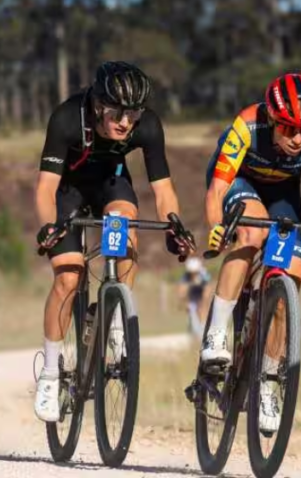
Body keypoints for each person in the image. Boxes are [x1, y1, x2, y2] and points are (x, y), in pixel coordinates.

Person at [33, 61, 195, 422]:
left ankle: (116, 320)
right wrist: (49, 227)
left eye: (133, 113)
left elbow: (162, 188)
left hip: (112, 184)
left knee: (123, 224)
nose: (126, 122)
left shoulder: (147, 125)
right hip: (69, 191)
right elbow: (45, 186)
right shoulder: (66, 118)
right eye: (118, 112)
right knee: (68, 278)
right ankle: (49, 373)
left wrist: (174, 225)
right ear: (97, 105)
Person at [197, 72, 301, 434]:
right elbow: (216, 191)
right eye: (288, 128)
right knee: (252, 233)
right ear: (272, 118)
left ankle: (269, 378)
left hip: (283, 195)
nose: (299, 138)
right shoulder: (246, 126)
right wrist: (216, 228)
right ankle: (217, 332)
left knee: (292, 277)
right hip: (238, 184)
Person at [179, 256, 211, 339]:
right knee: (191, 311)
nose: (193, 274)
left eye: (195, 272)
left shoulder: (203, 274)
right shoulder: (186, 275)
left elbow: (207, 288)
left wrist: (203, 302)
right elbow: (182, 289)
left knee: (202, 309)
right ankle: (193, 332)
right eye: (191, 272)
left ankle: (204, 330)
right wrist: (185, 302)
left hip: (201, 293)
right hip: (192, 294)